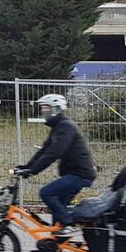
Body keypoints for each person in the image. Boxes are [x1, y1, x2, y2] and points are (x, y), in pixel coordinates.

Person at [15, 93, 96, 238]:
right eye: (42, 108)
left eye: (45, 108)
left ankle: (69, 224)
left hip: (80, 175)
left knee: (46, 193)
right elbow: (44, 150)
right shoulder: (58, 127)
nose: (42, 111)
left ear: (56, 109)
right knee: (57, 210)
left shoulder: (66, 127)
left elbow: (53, 153)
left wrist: (33, 171)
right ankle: (56, 243)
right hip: (73, 174)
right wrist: (27, 166)